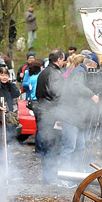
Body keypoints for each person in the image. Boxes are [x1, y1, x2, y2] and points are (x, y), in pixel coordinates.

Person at [33, 50, 66, 185]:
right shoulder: (55, 74)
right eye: (63, 59)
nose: (64, 62)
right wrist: (60, 114)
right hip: (52, 114)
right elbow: (58, 96)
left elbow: (37, 93)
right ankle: (51, 177)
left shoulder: (43, 72)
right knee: (52, 146)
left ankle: (47, 177)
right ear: (58, 60)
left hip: (43, 112)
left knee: (46, 146)